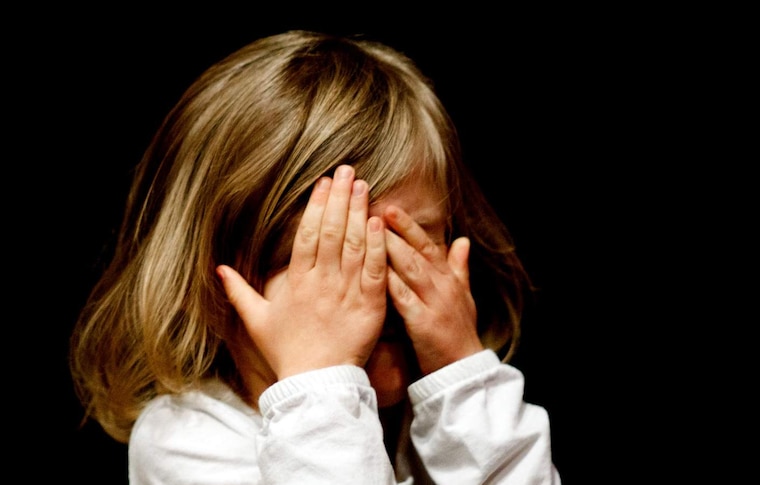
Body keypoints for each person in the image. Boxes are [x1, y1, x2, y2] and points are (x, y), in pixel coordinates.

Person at [69, 29, 561, 484]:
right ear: (218, 280)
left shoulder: (443, 411)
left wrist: (465, 381)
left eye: (409, 243)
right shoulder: (185, 439)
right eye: (331, 257)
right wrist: (322, 384)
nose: (374, 287)